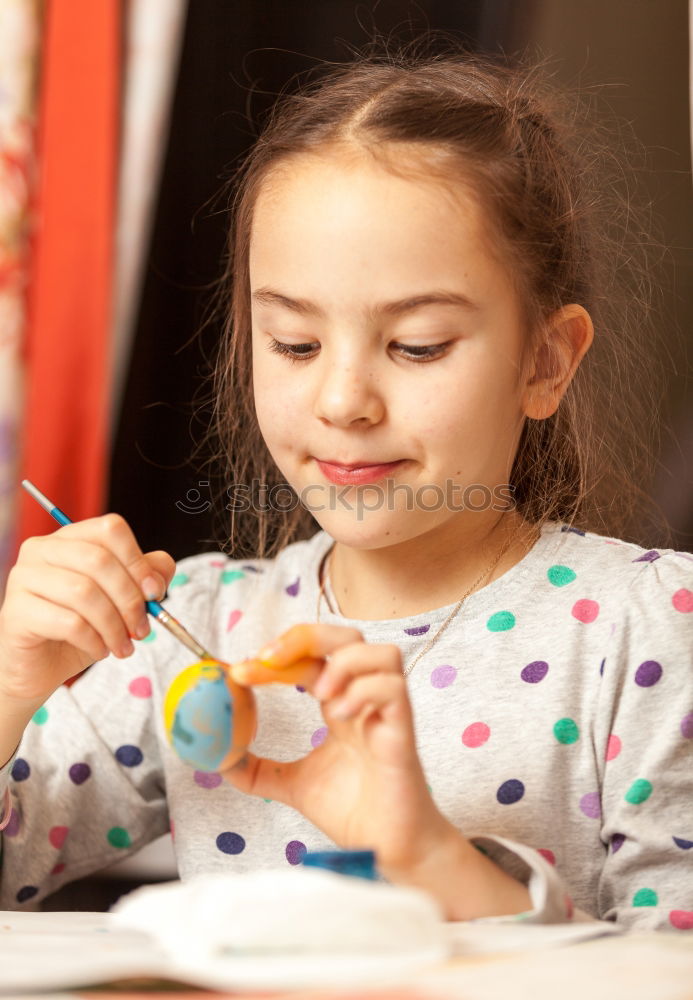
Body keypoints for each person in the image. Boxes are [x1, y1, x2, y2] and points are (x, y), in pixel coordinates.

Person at [0, 45, 690, 930]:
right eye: (294, 344)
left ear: (544, 361)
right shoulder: (198, 633)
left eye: (416, 346)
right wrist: (13, 689)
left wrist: (434, 861)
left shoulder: (648, 631)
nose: (341, 402)